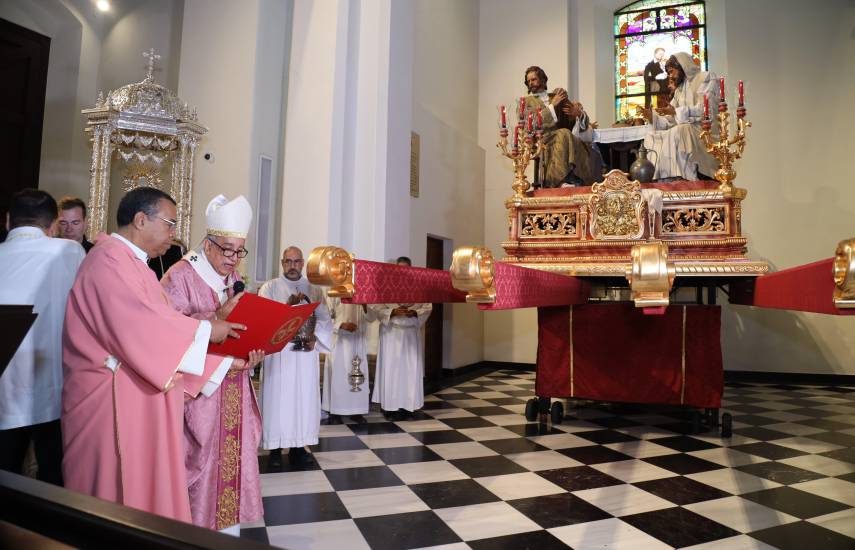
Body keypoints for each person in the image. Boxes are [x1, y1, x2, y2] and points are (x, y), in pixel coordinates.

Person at [61, 187, 247, 523]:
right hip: (111, 405)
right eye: (170, 224)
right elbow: (141, 328)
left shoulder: (137, 266)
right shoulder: (107, 261)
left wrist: (223, 360)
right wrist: (209, 330)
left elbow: (162, 327)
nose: (175, 235)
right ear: (140, 219)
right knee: (112, 505)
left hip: (140, 398)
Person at [160, 194, 264, 535]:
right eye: (227, 250)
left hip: (234, 393)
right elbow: (165, 334)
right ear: (208, 244)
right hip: (198, 398)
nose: (234, 259)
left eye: (239, 251)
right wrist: (214, 318)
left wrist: (253, 353)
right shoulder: (179, 276)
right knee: (200, 473)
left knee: (230, 473)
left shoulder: (230, 280)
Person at [0, 190, 85, 485]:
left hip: (3, 396)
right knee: (54, 482)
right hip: (53, 390)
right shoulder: (69, 252)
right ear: (52, 227)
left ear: (8, 221)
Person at [259, 246, 332, 470]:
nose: (292, 266)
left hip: (305, 355)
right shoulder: (270, 288)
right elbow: (263, 318)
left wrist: (314, 339)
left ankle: (300, 447)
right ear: (282, 263)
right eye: (288, 261)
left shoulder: (315, 290)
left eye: (297, 261)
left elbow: (325, 319)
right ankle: (274, 450)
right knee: (277, 401)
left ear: (302, 264)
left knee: (304, 400)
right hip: (280, 355)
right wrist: (287, 307)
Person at [369, 257, 432, 421]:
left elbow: (427, 307)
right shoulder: (385, 286)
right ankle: (390, 408)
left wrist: (414, 312)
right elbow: (376, 306)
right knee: (392, 371)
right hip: (392, 333)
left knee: (410, 371)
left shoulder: (419, 287)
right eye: (399, 269)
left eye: (405, 269)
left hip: (410, 334)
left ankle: (408, 407)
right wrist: (393, 312)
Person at [643, 52, 720, 181]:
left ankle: (686, 176)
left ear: (682, 67)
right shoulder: (680, 89)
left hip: (704, 131)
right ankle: (665, 178)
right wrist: (653, 117)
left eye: (672, 71)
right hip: (687, 129)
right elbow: (671, 120)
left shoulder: (705, 77)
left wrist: (676, 112)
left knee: (680, 130)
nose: (670, 76)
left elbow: (706, 110)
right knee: (653, 136)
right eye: (668, 73)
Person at [523, 65, 596, 187]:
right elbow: (531, 124)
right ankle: (561, 179)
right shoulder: (526, 102)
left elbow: (578, 123)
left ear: (543, 80)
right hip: (542, 139)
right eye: (528, 81)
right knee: (563, 134)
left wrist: (578, 114)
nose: (531, 83)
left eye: (534, 79)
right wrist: (552, 106)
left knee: (576, 140)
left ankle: (577, 178)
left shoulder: (556, 96)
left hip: (564, 136)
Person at [322, 298, 370, 425]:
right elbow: (325, 317)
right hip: (339, 340)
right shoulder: (334, 292)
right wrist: (341, 325)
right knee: (338, 377)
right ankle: (335, 411)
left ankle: (357, 410)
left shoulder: (363, 292)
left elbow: (372, 317)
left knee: (358, 374)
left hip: (357, 340)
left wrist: (365, 305)